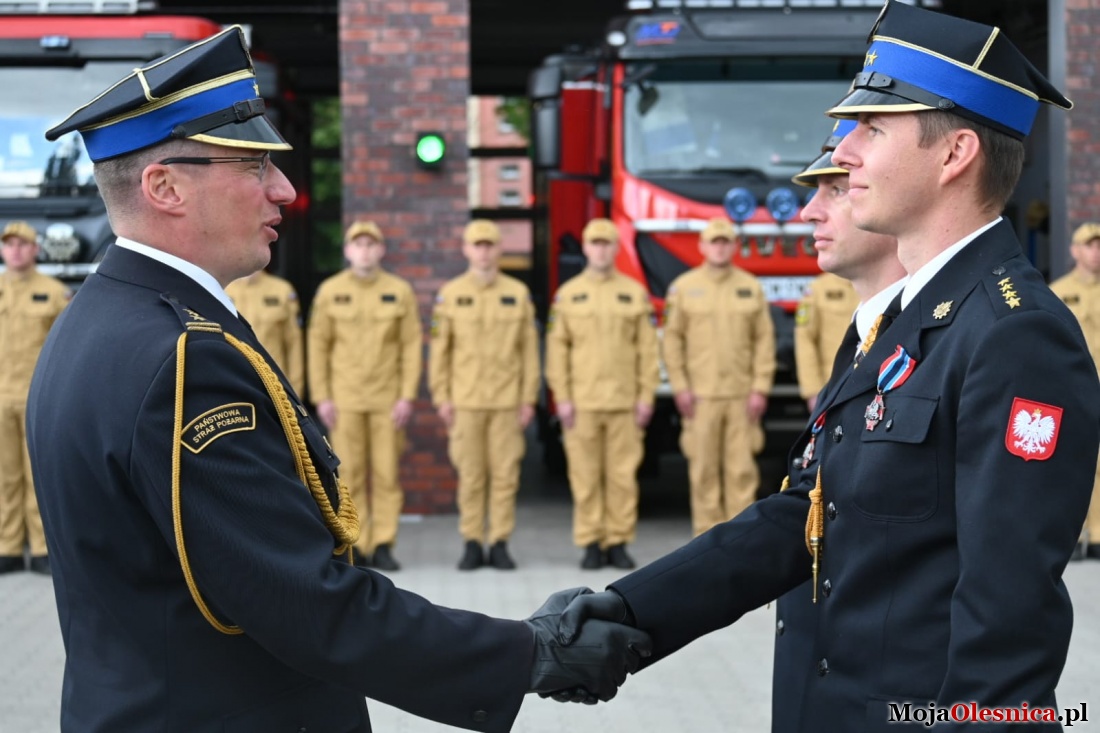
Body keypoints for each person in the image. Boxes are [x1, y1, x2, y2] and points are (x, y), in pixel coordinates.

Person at [25, 27, 651, 732]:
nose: (285, 189)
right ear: (164, 186)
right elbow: (305, 602)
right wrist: (530, 652)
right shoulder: (183, 356)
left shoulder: (101, 321)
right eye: (254, 165)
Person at [553, 4, 1100, 729]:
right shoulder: (903, 323)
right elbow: (806, 515)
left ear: (954, 154)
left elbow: (1007, 617)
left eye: (872, 128)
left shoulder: (1015, 333)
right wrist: (629, 610)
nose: (843, 152)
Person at [770, 118, 906, 733]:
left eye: (838, 189)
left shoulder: (971, 337)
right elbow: (803, 517)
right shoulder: (864, 336)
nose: (808, 212)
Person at [544, 218, 659, 570]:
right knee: (585, 476)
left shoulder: (634, 293)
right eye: (595, 243)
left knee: (622, 477)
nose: (601, 250)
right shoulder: (568, 295)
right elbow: (557, 351)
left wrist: (646, 397)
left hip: (624, 402)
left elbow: (647, 351)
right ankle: (591, 542)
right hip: (582, 403)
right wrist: (562, 398)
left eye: (607, 243)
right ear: (585, 248)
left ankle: (619, 541)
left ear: (615, 248)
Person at [307, 219, 420, 571]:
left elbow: (411, 346)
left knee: (387, 474)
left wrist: (407, 396)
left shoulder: (399, 291)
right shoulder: (330, 291)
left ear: (381, 250)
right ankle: (356, 545)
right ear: (348, 250)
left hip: (388, 400)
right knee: (349, 476)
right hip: (345, 400)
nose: (365, 251)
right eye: (358, 244)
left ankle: (383, 543)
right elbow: (318, 346)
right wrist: (322, 396)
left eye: (371, 244)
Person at [429, 219, 540, 570]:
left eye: (489, 245)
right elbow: (440, 352)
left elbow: (529, 352)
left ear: (499, 249)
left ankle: (501, 542)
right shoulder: (451, 294)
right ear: (466, 250)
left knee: (506, 477)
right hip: (466, 402)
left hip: (507, 402)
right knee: (471, 477)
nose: (483, 252)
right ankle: (473, 542)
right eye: (477, 245)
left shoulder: (517, 294)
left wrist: (528, 398)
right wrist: (442, 398)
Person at [662, 216, 776, 536]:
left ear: (734, 247)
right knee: (704, 473)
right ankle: (706, 540)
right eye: (714, 242)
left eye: (725, 242)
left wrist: (760, 388)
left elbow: (763, 341)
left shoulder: (749, 287)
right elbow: (671, 341)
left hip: (741, 396)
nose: (720, 248)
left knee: (742, 472)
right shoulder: (684, 289)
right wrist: (680, 387)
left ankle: (739, 542)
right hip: (700, 397)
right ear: (702, 246)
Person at [0, 220, 69, 576]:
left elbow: (66, 348)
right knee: (5, 477)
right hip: (0, 401)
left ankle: (43, 549)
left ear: (35, 250)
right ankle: (8, 547)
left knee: (39, 476)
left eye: (23, 244)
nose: (15, 251)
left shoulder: (55, 293)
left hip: (37, 400)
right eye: (9, 244)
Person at [1049, 222, 1100, 560]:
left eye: (1099, 246)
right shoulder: (1057, 292)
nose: (1096, 253)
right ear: (1074, 251)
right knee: (1076, 458)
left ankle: (1098, 534)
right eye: (1089, 245)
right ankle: (1077, 533)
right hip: (1076, 388)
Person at [225, 268, 304, 396]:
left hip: (274, 389)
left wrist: (295, 393)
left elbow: (294, 345)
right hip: (230, 386)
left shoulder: (281, 289)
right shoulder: (219, 289)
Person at [793, 272, 857, 412]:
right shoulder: (818, 288)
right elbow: (805, 340)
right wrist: (812, 390)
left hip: (873, 384)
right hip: (832, 387)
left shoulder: (880, 284)